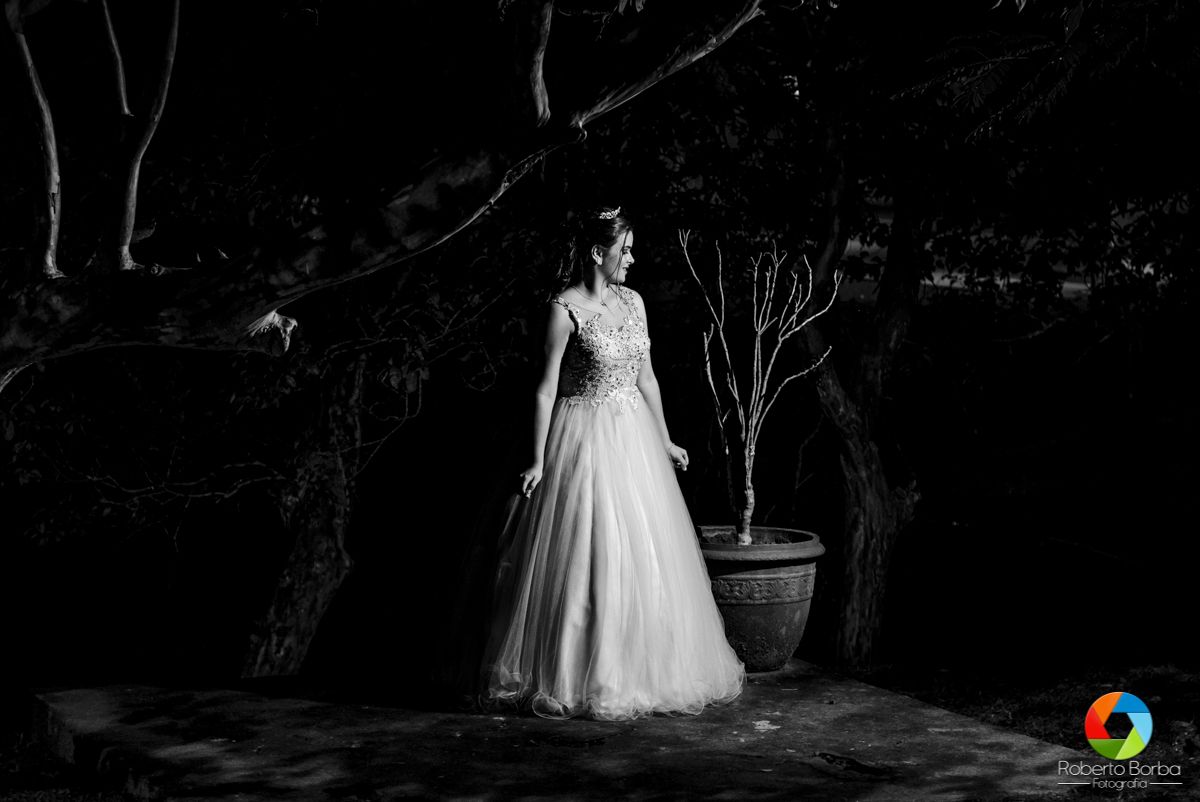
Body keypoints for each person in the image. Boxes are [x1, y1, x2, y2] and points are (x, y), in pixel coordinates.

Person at [479, 205, 745, 720]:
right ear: (597, 252)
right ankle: (583, 674)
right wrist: (537, 460)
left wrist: (665, 440)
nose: (632, 259)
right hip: (583, 439)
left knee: (645, 555)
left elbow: (647, 378)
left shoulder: (633, 301)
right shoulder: (564, 310)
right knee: (590, 553)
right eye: (625, 250)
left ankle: (641, 669)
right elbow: (545, 389)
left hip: (634, 440)